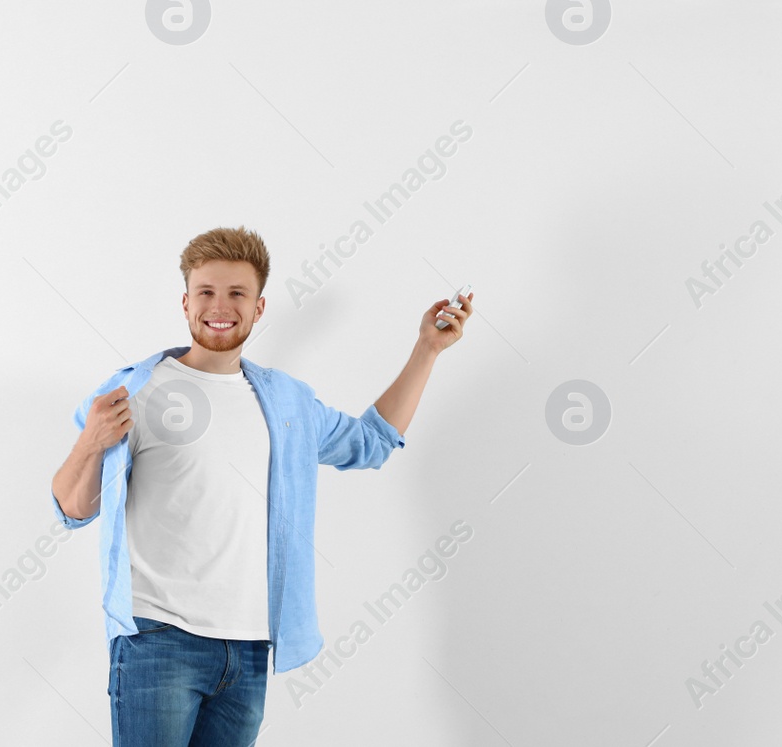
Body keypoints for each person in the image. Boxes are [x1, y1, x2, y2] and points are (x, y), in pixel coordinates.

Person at [50, 225, 473, 746]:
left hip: (249, 649)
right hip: (158, 642)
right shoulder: (135, 392)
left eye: (236, 294)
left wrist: (427, 349)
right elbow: (72, 509)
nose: (219, 306)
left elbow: (371, 442)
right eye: (205, 292)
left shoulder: (286, 403)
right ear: (185, 303)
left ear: (259, 307)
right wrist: (90, 442)